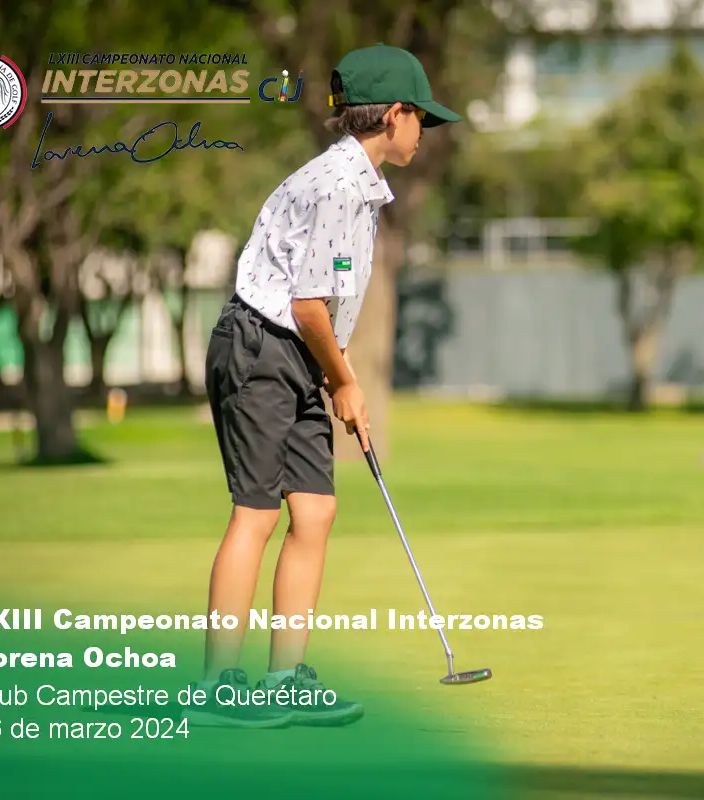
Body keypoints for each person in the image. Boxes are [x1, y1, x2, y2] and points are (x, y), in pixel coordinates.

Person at [191, 43, 461, 728]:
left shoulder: (358, 183)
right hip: (259, 345)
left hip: (298, 351)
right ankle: (218, 688)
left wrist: (339, 375)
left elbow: (321, 306)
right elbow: (307, 303)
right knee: (256, 512)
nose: (423, 132)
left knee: (314, 511)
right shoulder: (338, 184)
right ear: (394, 114)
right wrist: (345, 380)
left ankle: (284, 682)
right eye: (420, 118)